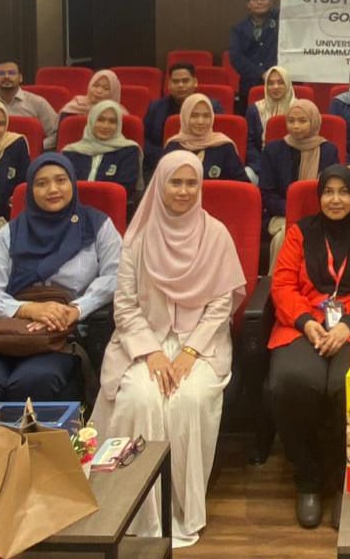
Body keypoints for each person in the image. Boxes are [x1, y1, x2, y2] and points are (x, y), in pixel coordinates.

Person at [92, 151, 247, 547]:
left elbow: (221, 304)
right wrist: (152, 352)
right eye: (175, 182)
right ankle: (134, 507)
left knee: (188, 401)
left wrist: (189, 352)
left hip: (202, 343)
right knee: (139, 398)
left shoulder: (216, 234)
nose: (183, 191)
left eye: (191, 183)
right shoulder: (139, 238)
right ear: (160, 185)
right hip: (144, 341)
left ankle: (182, 508)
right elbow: (125, 306)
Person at [0, 154, 121, 454]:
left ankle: (39, 467)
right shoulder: (10, 233)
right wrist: (28, 309)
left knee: (34, 380)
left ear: (72, 183)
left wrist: (76, 309)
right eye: (41, 183)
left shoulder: (97, 226)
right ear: (30, 190)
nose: (52, 189)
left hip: (61, 331)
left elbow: (116, 276)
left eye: (60, 180)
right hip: (3, 328)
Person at [268, 166, 350, 529]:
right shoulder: (299, 233)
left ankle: (347, 481)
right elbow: (282, 286)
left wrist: (347, 325)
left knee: (349, 384)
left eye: (343, 192)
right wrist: (305, 322)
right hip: (302, 325)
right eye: (328, 192)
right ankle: (308, 479)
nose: (335, 199)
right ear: (319, 196)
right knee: (291, 381)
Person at [260, 99, 341, 268]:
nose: (295, 126)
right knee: (286, 235)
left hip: (321, 213)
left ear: (314, 122)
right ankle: (278, 281)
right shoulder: (273, 150)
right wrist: (294, 211)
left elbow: (333, 189)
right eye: (291, 121)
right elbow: (267, 194)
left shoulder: (328, 150)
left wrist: (313, 212)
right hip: (282, 215)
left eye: (302, 121)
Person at [142, 63, 224, 174]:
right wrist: (167, 157)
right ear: (169, 85)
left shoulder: (210, 107)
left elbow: (217, 139)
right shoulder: (156, 107)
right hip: (163, 161)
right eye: (175, 82)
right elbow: (145, 141)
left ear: (195, 82)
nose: (180, 85)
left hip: (203, 162)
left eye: (185, 81)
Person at [62, 100, 142, 196]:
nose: (105, 126)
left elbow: (125, 189)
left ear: (118, 125)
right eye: (100, 120)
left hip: (110, 204)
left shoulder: (128, 150)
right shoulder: (70, 152)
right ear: (91, 121)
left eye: (112, 122)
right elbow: (63, 185)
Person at [163, 93, 249, 182]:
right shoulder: (173, 146)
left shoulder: (224, 146)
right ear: (185, 117)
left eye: (206, 116)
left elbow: (243, 184)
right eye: (194, 116)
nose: (200, 121)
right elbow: (160, 183)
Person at [228, 0, 279, 113]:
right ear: (248, 4)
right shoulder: (238, 29)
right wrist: (261, 73)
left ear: (271, 2)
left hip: (279, 83)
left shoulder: (282, 20)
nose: (259, 2)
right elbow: (236, 57)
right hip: (250, 84)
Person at [0, 60, 58, 150]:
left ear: (20, 78)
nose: (6, 76)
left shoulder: (37, 102)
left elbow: (55, 135)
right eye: (1, 73)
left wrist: (33, 148)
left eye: (12, 73)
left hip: (31, 155)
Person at [246, 65, 297, 178]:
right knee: (247, 174)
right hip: (261, 165)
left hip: (293, 165)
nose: (275, 87)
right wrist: (262, 167)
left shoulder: (299, 109)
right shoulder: (255, 110)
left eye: (280, 82)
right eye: (270, 83)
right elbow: (250, 145)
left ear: (287, 84)